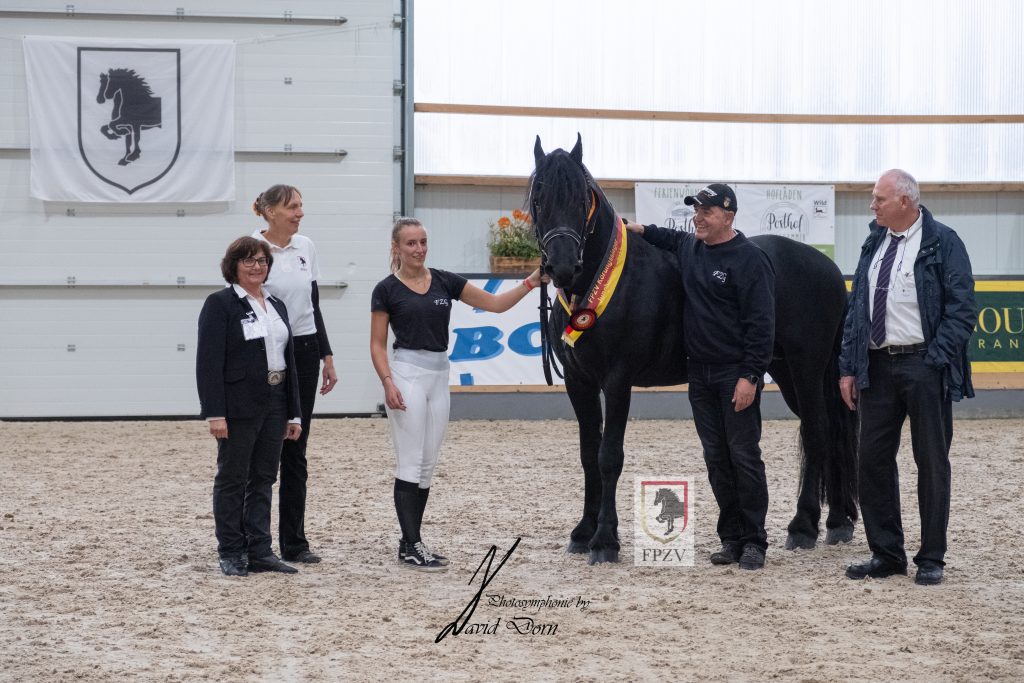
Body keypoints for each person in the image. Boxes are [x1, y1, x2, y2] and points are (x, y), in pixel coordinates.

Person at [370, 217, 544, 571]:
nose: (418, 249)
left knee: (428, 465)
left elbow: (495, 305)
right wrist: (388, 381)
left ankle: (410, 542)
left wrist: (531, 282)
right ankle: (412, 543)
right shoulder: (386, 289)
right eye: (410, 243)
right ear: (396, 248)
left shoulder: (445, 281)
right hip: (407, 373)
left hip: (439, 373)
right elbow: (376, 344)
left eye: (422, 242)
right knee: (410, 461)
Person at [625, 183, 776, 570]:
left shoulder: (749, 259)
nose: (698, 217)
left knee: (744, 456)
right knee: (716, 458)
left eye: (706, 212)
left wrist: (751, 376)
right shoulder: (691, 247)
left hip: (734, 376)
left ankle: (755, 541)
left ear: (728, 216)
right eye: (696, 211)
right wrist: (636, 228)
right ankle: (732, 538)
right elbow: (667, 236)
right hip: (700, 374)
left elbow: (762, 325)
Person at [839, 169, 976, 586]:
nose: (872, 205)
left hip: (924, 365)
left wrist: (935, 359)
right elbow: (856, 310)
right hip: (876, 367)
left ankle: (931, 556)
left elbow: (962, 308)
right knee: (871, 461)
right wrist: (848, 366)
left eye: (879, 199)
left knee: (931, 461)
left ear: (905, 201)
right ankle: (886, 553)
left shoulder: (943, 241)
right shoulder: (873, 241)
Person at [197, 236, 304, 577]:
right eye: (249, 261)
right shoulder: (221, 304)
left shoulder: (277, 305)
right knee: (232, 478)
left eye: (261, 261)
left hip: (276, 400)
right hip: (239, 405)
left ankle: (259, 549)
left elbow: (290, 362)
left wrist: (294, 411)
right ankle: (230, 550)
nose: (257, 267)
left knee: (263, 478)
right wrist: (215, 412)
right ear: (233, 266)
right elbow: (208, 363)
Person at [251, 184, 336, 565]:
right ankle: (257, 542)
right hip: (269, 352)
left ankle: (295, 542)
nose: (300, 213)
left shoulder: (307, 247)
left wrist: (326, 354)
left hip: (304, 349)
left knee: (296, 449)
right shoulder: (251, 250)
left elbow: (312, 305)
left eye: (301, 205)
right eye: (292, 207)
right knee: (266, 449)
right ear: (269, 212)